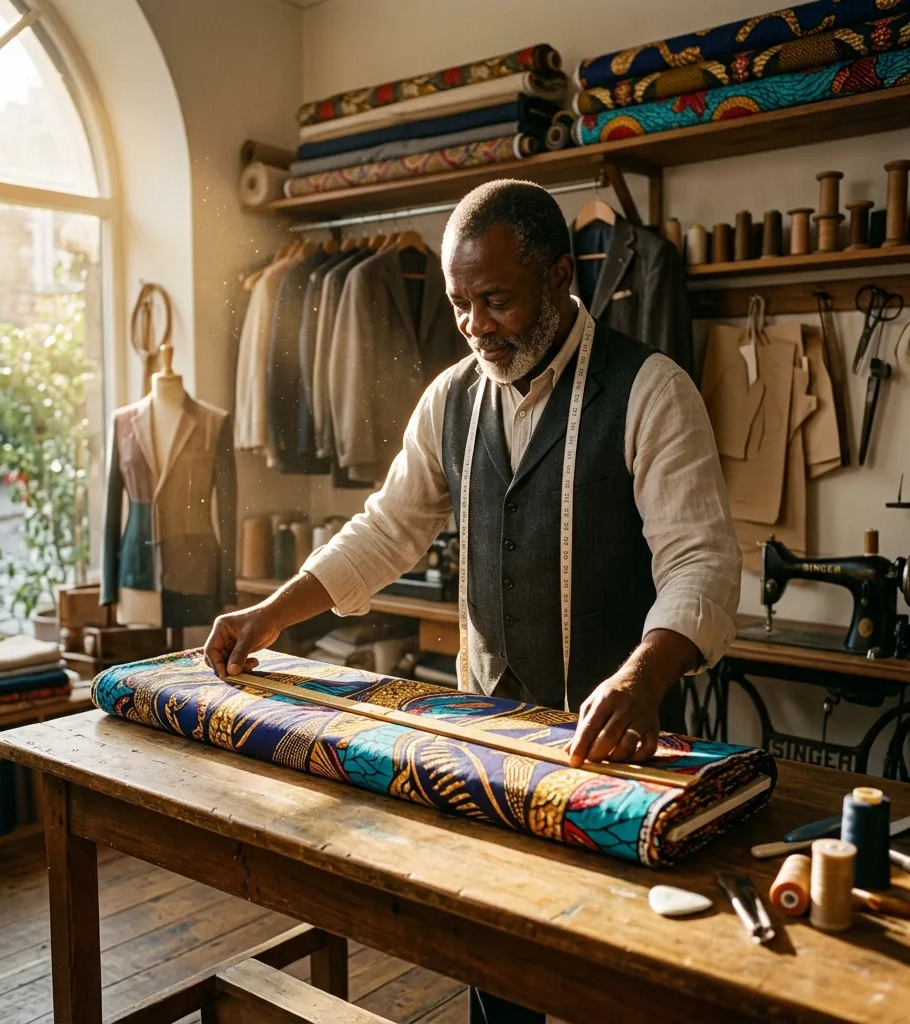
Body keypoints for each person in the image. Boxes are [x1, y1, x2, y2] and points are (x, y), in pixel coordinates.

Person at [206, 179, 741, 1020]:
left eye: (497, 301)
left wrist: (643, 673)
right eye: (461, 306)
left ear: (563, 276)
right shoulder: (451, 398)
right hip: (489, 741)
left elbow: (699, 558)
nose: (476, 327)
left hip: (620, 754)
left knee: (621, 974)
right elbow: (386, 529)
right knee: (496, 961)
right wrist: (271, 614)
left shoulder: (650, 389)